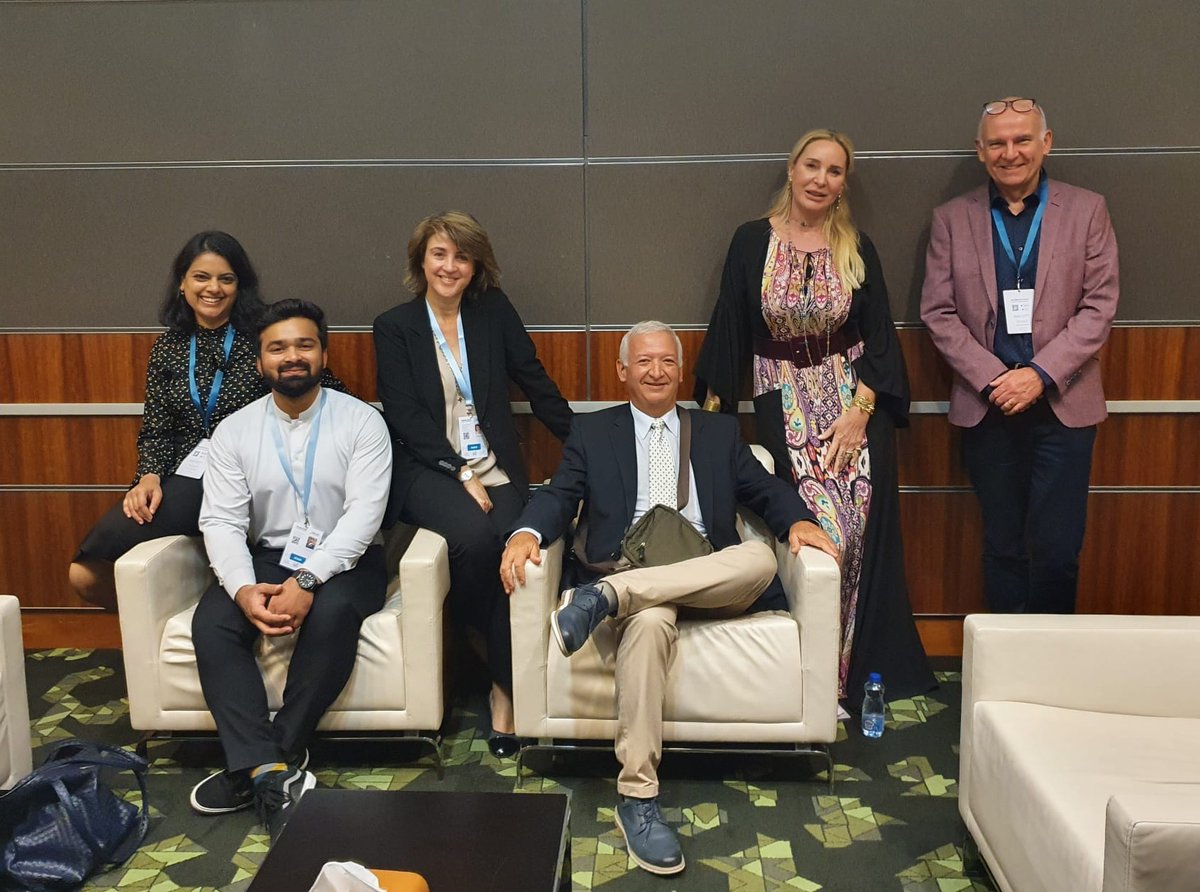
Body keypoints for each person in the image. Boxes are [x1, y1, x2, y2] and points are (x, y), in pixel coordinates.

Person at [500, 321, 838, 876]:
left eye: (667, 362)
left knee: (758, 558)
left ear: (680, 372)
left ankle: (609, 597)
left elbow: (762, 489)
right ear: (622, 371)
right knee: (650, 620)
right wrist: (526, 532)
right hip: (635, 574)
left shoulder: (717, 432)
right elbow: (560, 496)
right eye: (644, 361)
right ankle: (638, 798)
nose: (656, 372)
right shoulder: (594, 432)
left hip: (707, 576)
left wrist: (798, 520)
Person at [693, 130, 934, 704]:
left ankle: (854, 676)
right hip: (781, 396)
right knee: (824, 532)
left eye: (834, 171)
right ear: (792, 169)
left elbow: (879, 334)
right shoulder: (751, 241)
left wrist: (861, 411)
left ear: (843, 184)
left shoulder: (856, 245)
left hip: (854, 402)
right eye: (812, 166)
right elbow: (730, 327)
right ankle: (812, 673)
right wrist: (709, 422)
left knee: (861, 530)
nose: (821, 180)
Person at [188, 299, 391, 843]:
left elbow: (364, 517)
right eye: (277, 348)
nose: (292, 356)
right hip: (266, 555)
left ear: (324, 354)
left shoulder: (363, 422)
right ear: (260, 362)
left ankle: (266, 757)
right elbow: (222, 521)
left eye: (304, 344)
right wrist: (242, 588)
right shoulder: (234, 431)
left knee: (332, 613)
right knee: (212, 622)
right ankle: (271, 770)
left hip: (349, 557)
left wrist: (307, 581)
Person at [373, 212, 573, 757]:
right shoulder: (394, 326)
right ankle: (504, 683)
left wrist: (586, 444)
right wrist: (458, 470)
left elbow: (534, 379)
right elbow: (405, 415)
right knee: (477, 539)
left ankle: (490, 671)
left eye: (461, 256)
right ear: (421, 261)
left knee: (515, 550)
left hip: (495, 465)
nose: (450, 266)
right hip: (426, 468)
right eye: (439, 254)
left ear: (476, 265)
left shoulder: (492, 312)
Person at [68, 231, 345, 611]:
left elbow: (325, 393)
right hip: (186, 476)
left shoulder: (263, 338)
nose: (213, 288)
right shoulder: (169, 347)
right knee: (85, 572)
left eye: (225, 279)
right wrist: (148, 477)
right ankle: (171, 613)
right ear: (182, 283)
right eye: (201, 277)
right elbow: (157, 427)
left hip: (252, 472)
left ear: (239, 286)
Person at [920, 98, 1119, 614]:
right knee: (1002, 547)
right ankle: (1005, 658)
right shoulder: (951, 219)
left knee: (1058, 551)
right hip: (989, 407)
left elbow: (1099, 307)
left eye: (1022, 139)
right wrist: (995, 379)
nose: (1010, 152)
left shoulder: (1087, 210)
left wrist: (1038, 375)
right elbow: (938, 312)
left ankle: (1051, 659)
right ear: (980, 151)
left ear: (1045, 143)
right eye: (998, 143)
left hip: (1064, 405)